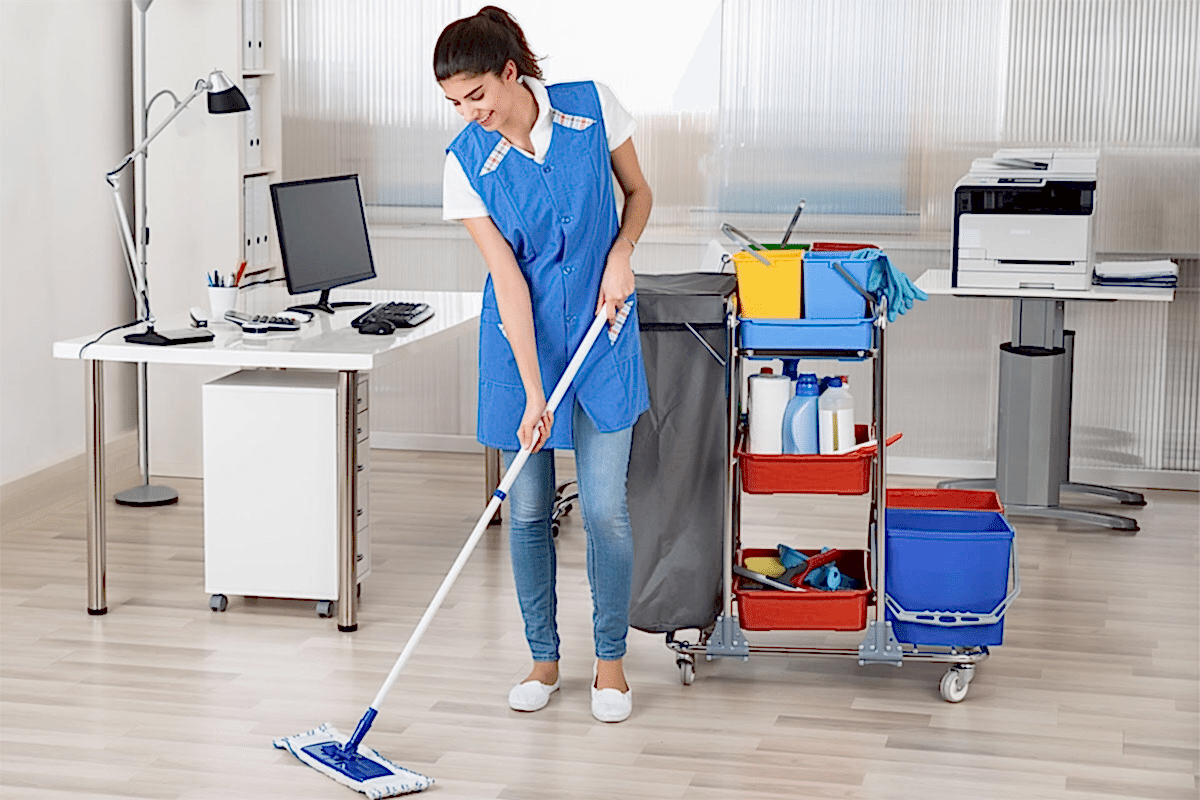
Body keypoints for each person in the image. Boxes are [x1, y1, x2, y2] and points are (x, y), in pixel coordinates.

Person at [434, 7, 652, 723]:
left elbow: (639, 193)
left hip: (602, 331)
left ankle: (610, 664)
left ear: (509, 73)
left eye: (476, 95)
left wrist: (621, 255)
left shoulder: (593, 107)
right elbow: (508, 279)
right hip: (519, 342)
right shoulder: (465, 162)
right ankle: (543, 659)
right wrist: (534, 393)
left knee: (605, 510)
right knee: (527, 510)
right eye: (455, 103)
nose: (470, 113)